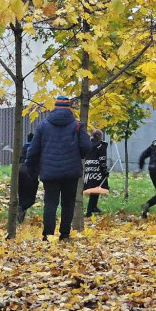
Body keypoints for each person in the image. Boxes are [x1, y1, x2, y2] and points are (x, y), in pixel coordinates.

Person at [24, 96, 92, 241]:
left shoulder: (43, 126)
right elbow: (86, 146)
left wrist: (31, 169)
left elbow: (33, 150)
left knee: (50, 203)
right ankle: (64, 234)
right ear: (69, 108)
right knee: (68, 203)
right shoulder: (77, 125)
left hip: (50, 172)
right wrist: (78, 155)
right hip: (71, 172)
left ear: (54, 108)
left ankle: (48, 235)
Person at [83, 130, 110, 217]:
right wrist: (105, 171)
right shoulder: (100, 146)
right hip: (97, 171)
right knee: (96, 189)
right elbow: (102, 159)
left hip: (88, 169)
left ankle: (93, 207)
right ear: (99, 136)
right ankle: (89, 211)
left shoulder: (88, 145)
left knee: (93, 189)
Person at [17, 132, 38, 223]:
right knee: (31, 197)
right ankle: (22, 208)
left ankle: (20, 210)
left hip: (20, 171)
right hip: (30, 172)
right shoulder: (35, 148)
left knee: (22, 194)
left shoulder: (23, 148)